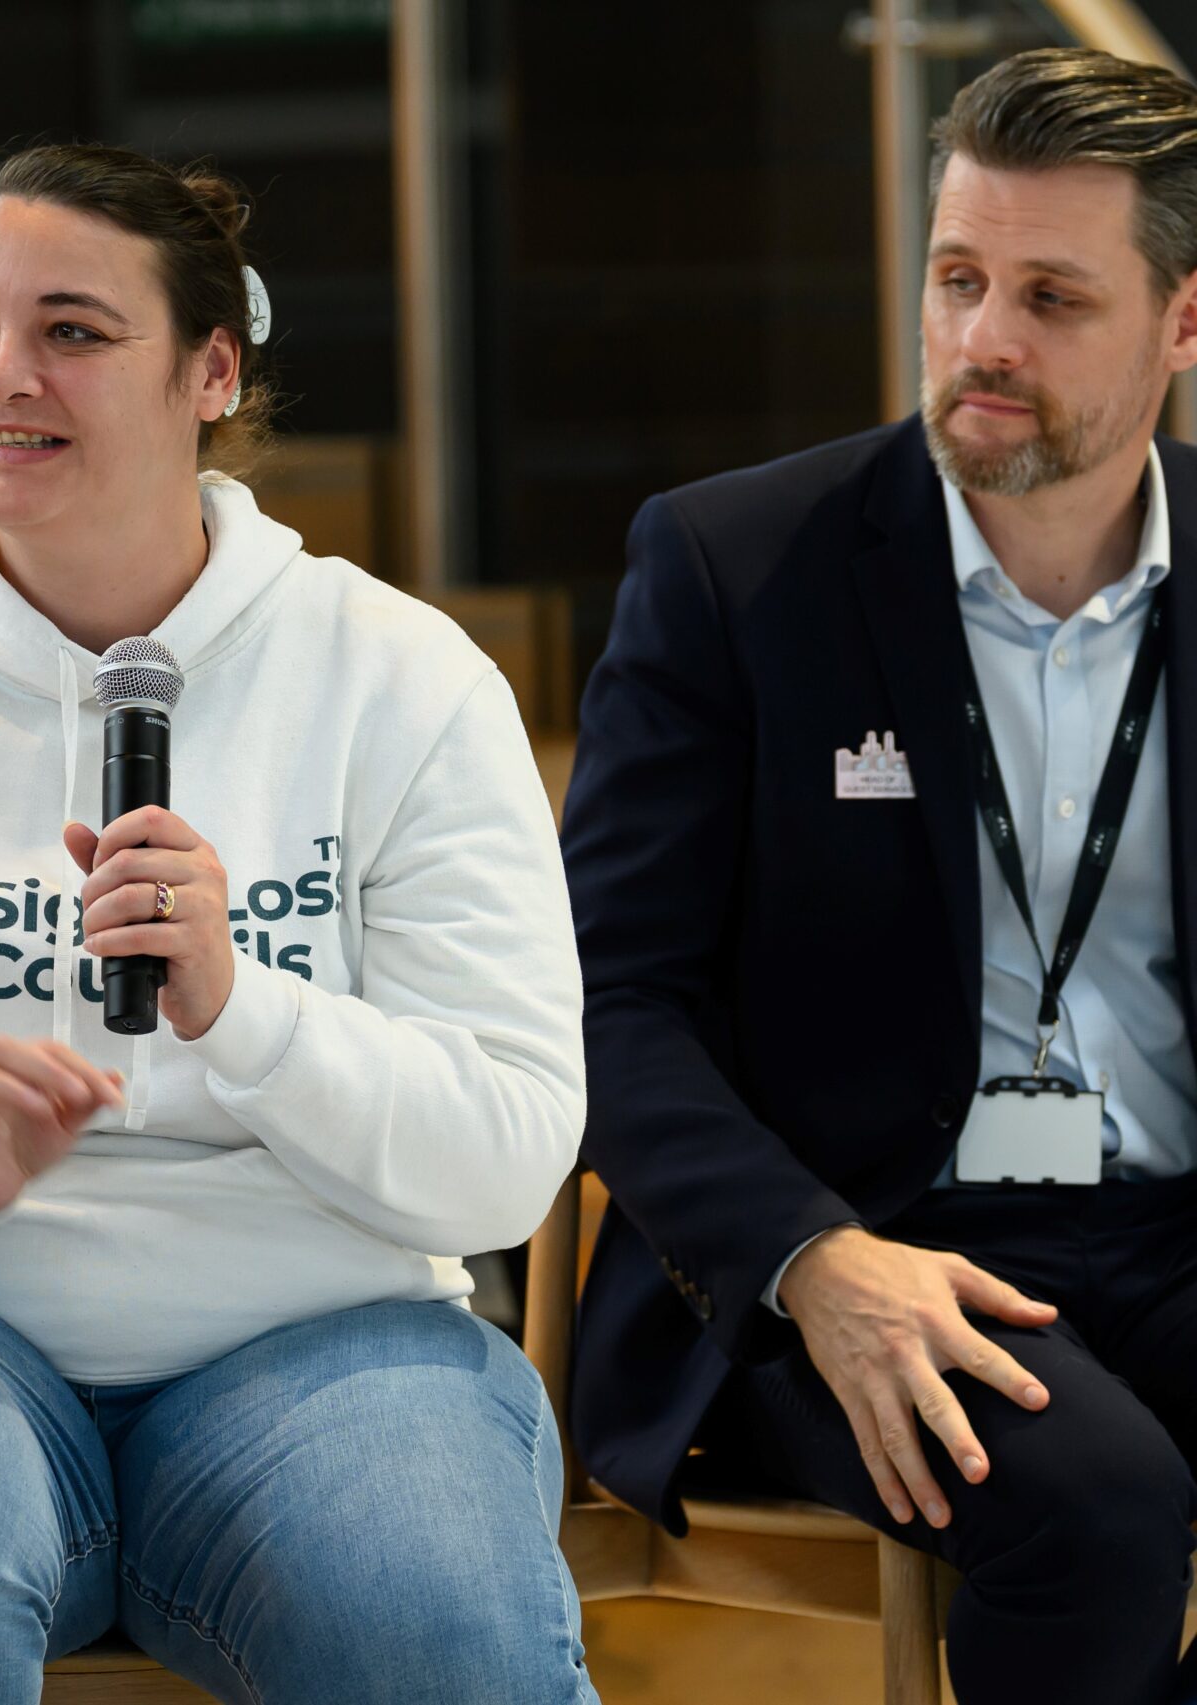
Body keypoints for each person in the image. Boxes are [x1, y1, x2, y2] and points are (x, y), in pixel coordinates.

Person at [0, 142, 596, 1703]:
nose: (2, 377)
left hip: (317, 1344)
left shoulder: (404, 680)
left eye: (72, 330)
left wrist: (246, 1011)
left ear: (212, 370)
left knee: (433, 1606)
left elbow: (508, 1144)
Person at [565, 48, 1197, 1705]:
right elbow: (610, 1002)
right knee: (1101, 1514)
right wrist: (806, 1257)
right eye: (958, 277)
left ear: (1183, 324)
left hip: (1176, 1225)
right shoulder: (735, 566)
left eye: (1054, 297)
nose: (984, 341)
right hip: (865, 1238)